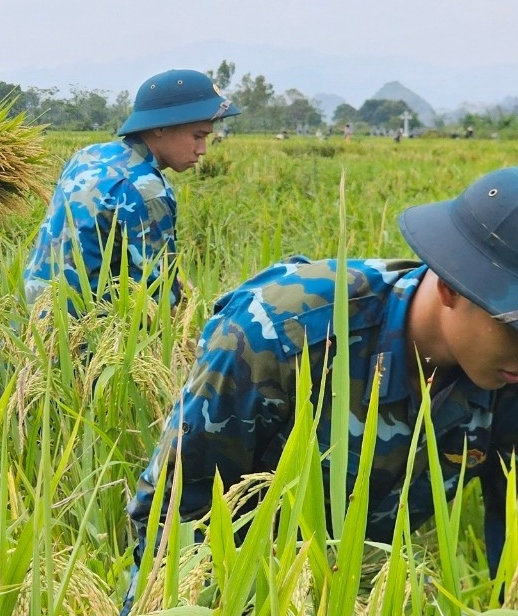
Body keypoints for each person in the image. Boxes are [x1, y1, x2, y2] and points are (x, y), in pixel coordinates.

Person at [121, 166, 518, 613]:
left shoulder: (505, 374)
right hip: (233, 583)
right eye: (516, 327)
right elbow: (176, 513)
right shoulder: (277, 333)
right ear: (450, 287)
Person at [22, 69, 240, 310]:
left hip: (31, 316)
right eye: (197, 136)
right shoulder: (147, 189)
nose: (203, 150)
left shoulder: (88, 155)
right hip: (81, 335)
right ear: (161, 127)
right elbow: (159, 299)